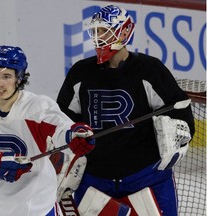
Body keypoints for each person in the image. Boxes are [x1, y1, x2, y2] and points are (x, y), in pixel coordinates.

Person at [56, 5, 195, 216]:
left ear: (123, 31)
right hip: (95, 178)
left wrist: (176, 140)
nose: (97, 37)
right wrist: (72, 133)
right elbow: (62, 118)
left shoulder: (149, 70)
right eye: (94, 31)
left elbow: (181, 111)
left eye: (103, 30)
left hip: (146, 176)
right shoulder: (80, 73)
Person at [0, 45, 95, 216]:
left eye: (7, 76)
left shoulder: (38, 108)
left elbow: (61, 128)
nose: (0, 83)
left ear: (19, 78)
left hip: (36, 208)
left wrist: (74, 135)